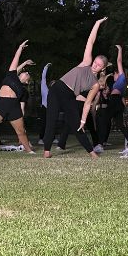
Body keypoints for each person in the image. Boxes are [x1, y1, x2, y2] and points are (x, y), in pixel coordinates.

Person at [43, 18, 108, 159]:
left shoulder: (96, 84)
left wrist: (84, 120)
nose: (95, 65)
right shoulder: (86, 63)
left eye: (99, 65)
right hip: (57, 89)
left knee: (77, 125)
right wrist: (96, 24)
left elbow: (87, 103)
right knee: (51, 120)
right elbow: (90, 42)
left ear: (102, 68)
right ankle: (47, 151)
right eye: (95, 62)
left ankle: (92, 153)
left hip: (69, 96)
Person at [0, 40, 35, 155]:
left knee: (21, 132)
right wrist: (20, 48)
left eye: (27, 75)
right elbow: (15, 63)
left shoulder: (23, 89)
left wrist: (21, 114)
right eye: (24, 72)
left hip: (13, 107)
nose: (25, 73)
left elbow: (22, 105)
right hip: (0, 103)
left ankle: (29, 150)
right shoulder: (11, 76)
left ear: (27, 81)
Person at [97, 45, 128, 150]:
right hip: (118, 103)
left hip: (114, 102)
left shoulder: (122, 78)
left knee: (104, 120)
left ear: (119, 73)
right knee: (120, 125)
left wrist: (120, 50)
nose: (114, 76)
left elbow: (119, 61)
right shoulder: (120, 83)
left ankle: (100, 144)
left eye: (115, 74)